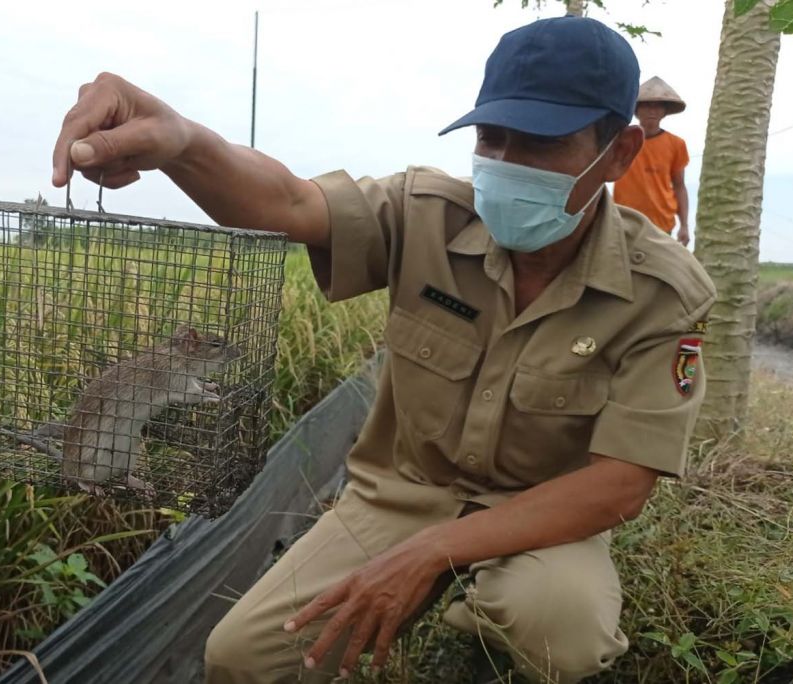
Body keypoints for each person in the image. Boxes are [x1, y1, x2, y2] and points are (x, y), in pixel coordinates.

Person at [52, 16, 715, 684]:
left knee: (559, 632)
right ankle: (445, 589)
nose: (507, 164)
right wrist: (181, 142)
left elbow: (620, 484)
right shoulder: (423, 214)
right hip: (398, 496)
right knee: (241, 659)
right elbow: (286, 201)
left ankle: (478, 629)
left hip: (539, 516)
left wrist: (432, 554)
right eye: (493, 137)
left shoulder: (661, 292)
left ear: (621, 152)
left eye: (542, 143)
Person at [613, 76, 692, 246]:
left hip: (661, 222)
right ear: (636, 110)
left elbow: (679, 185)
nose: (652, 111)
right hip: (623, 219)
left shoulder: (676, 144)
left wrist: (684, 225)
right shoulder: (620, 140)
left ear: (664, 111)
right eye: (647, 106)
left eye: (657, 106)